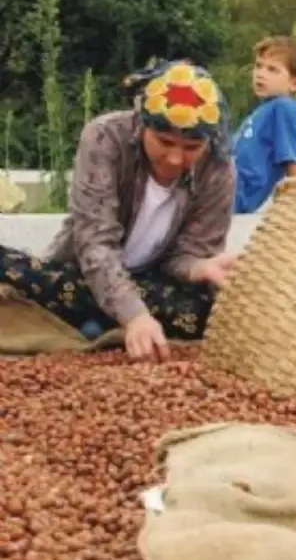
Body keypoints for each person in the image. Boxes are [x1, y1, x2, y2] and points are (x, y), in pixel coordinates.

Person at [0, 59, 236, 362]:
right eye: (164, 142)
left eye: (191, 147)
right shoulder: (105, 137)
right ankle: (109, 321)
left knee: (203, 310)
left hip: (152, 284)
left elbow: (186, 254)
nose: (176, 158)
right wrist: (134, 315)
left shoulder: (217, 170)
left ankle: (88, 321)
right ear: (143, 125)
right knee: (17, 267)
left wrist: (199, 268)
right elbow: (94, 241)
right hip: (81, 272)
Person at [232, 36, 296, 214]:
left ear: (295, 83)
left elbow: (294, 160)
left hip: (240, 192)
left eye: (272, 69)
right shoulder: (264, 110)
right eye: (258, 66)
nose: (260, 74)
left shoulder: (283, 107)